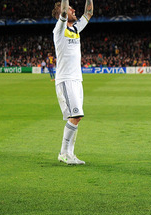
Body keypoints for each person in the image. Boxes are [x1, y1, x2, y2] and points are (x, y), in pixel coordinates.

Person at [52, 0, 93, 165]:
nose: (73, 10)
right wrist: (64, 6)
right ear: (62, 12)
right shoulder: (59, 29)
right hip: (66, 79)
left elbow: (88, 13)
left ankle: (69, 153)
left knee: (77, 117)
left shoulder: (75, 29)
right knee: (75, 115)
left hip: (77, 80)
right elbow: (63, 13)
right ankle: (64, 153)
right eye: (70, 9)